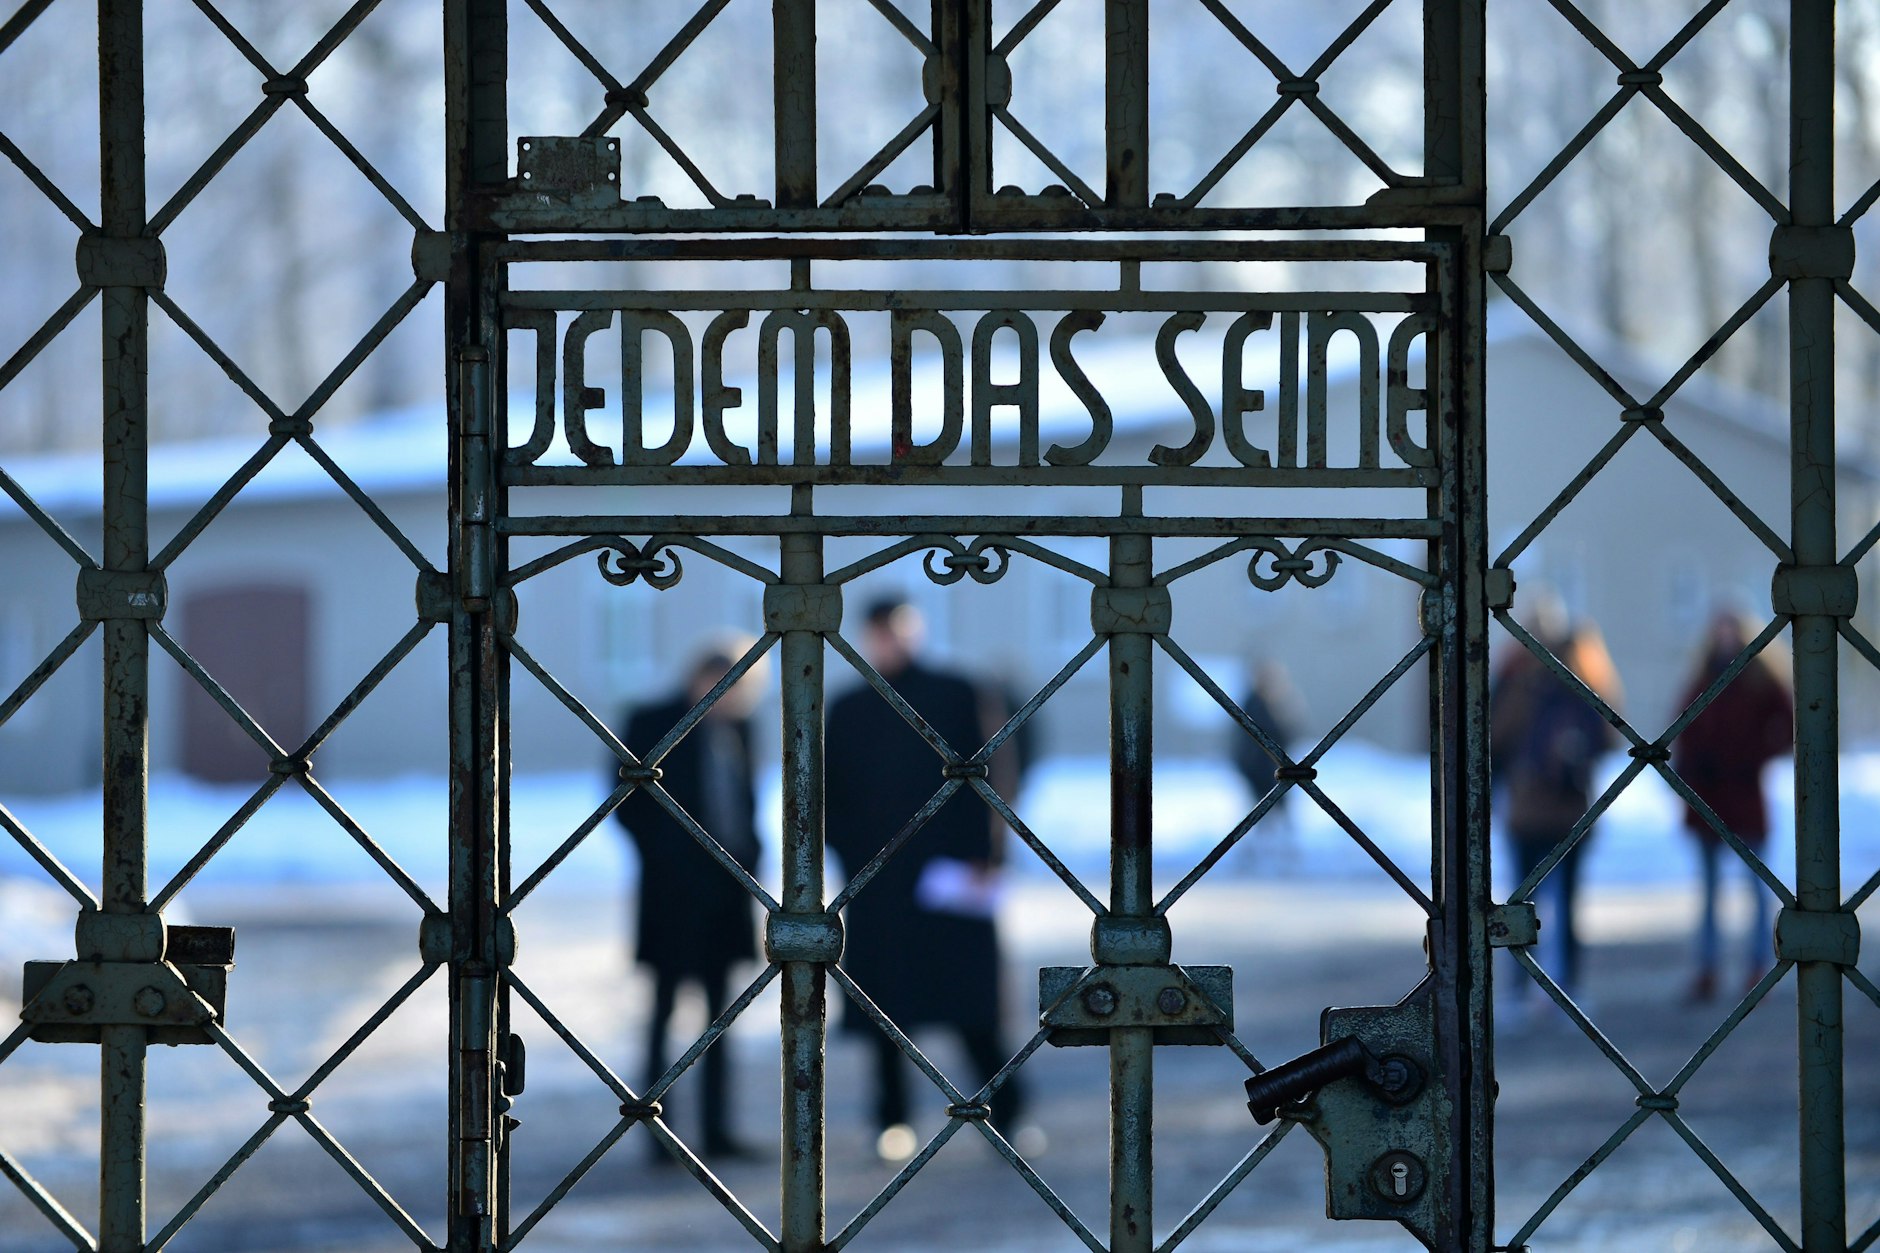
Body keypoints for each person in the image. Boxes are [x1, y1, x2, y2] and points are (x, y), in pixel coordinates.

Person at [825, 596, 1026, 1161]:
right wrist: (847, 859)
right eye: (880, 633)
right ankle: (891, 1119)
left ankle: (1006, 1112)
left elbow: (994, 775)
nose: (890, 642)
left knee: (973, 1006)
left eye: (899, 630)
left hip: (951, 873)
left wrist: (988, 855)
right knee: (885, 1010)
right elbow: (827, 793)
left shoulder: (959, 691)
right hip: (878, 882)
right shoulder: (847, 707)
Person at [613, 638, 767, 1160]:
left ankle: (717, 1132)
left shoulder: (741, 728)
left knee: (721, 1018)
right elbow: (626, 807)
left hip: (726, 898)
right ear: (698, 679)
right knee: (662, 1011)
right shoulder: (651, 720)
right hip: (672, 896)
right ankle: (658, 1133)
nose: (730, 698)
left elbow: (744, 806)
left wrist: (750, 859)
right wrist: (673, 861)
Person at [1490, 598, 1621, 1007]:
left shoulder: (1580, 675)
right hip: (1526, 809)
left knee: (1567, 904)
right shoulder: (1512, 678)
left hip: (1568, 809)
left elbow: (1608, 733)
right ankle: (1521, 987)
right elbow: (1492, 738)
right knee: (1522, 905)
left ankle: (1568, 986)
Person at [1671, 609, 1793, 1003]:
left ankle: (1759, 966)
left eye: (1730, 631)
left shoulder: (1759, 679)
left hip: (1743, 796)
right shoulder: (1702, 677)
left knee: (1755, 889)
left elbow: (1790, 724)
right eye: (1718, 630)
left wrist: (1752, 758)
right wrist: (1693, 768)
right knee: (1708, 891)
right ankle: (1707, 968)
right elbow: (1681, 729)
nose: (1724, 638)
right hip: (1708, 798)